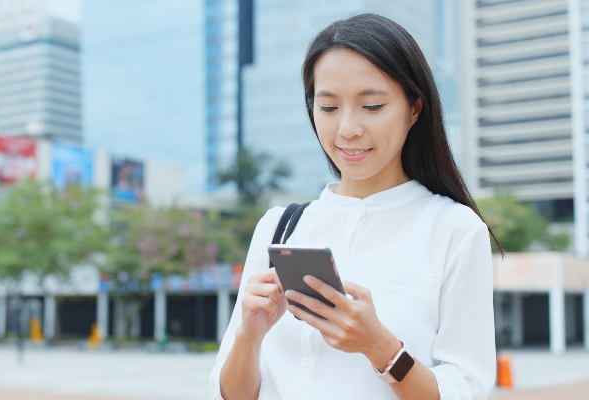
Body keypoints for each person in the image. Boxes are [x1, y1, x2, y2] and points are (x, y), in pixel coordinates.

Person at [210, 14, 498, 400]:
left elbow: (468, 391)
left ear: (414, 109)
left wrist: (380, 347)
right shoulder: (279, 227)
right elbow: (228, 394)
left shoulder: (455, 230)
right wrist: (249, 336)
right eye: (328, 108)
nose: (347, 129)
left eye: (372, 106)